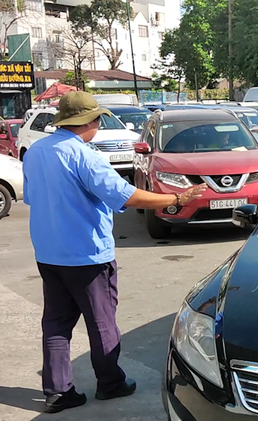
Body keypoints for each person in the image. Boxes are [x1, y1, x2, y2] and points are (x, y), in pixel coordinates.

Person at [22, 91, 207, 414]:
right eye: (97, 120)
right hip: (87, 254)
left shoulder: (36, 151)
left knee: (56, 323)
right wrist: (176, 199)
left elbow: (33, 199)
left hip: (49, 252)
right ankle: (110, 382)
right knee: (102, 322)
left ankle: (57, 391)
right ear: (89, 122)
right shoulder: (84, 156)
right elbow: (124, 196)